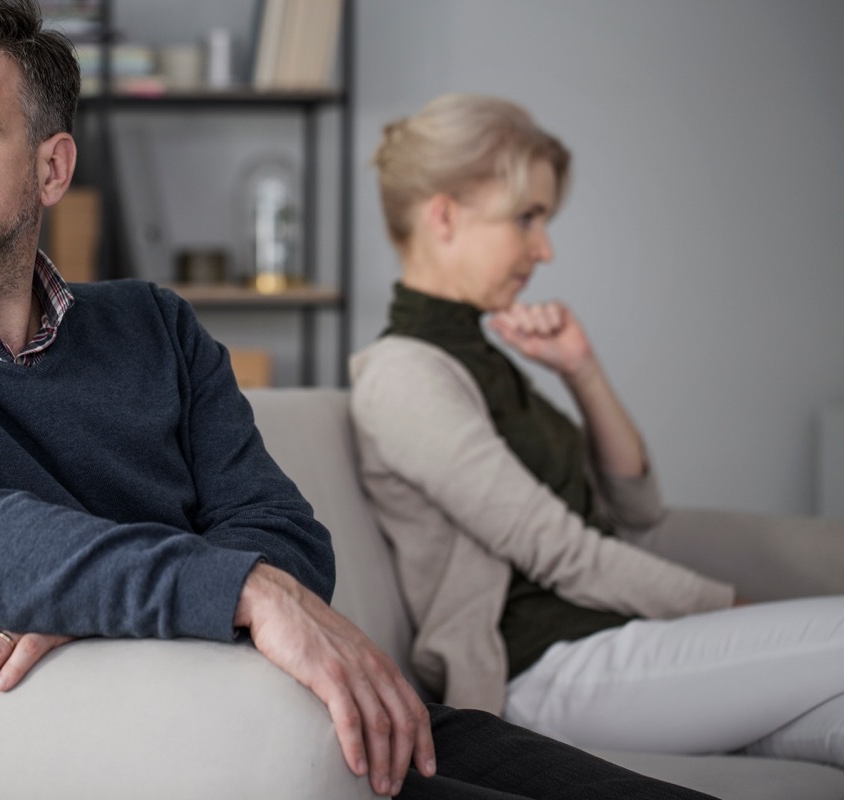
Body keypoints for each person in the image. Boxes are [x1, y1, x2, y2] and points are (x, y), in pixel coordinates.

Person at [0, 3, 716, 797]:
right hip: (187, 752)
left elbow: (287, 535)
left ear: (52, 166)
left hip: (332, 709)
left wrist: (87, 596)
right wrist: (235, 590)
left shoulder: (153, 325)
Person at [350, 92, 844, 767]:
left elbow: (636, 509)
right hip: (544, 671)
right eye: (527, 218)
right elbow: (562, 553)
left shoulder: (484, 359)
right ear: (444, 216)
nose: (544, 249)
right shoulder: (406, 376)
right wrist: (731, 607)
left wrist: (581, 370)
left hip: (614, 648)